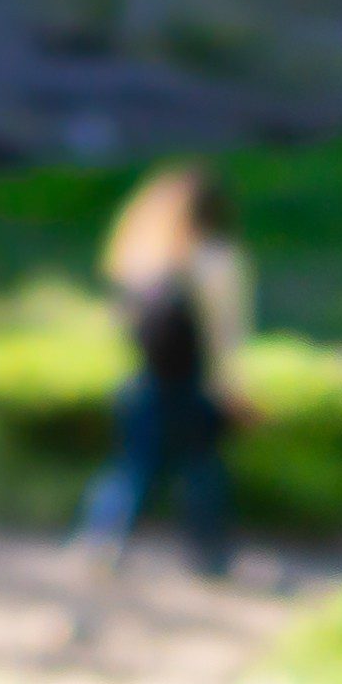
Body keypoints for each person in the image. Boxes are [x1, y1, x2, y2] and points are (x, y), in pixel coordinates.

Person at [77, 163, 250, 586]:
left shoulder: (139, 255)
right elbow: (224, 333)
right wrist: (232, 388)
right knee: (202, 468)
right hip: (192, 381)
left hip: (144, 378)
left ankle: (101, 541)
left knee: (133, 467)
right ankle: (209, 557)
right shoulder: (215, 259)